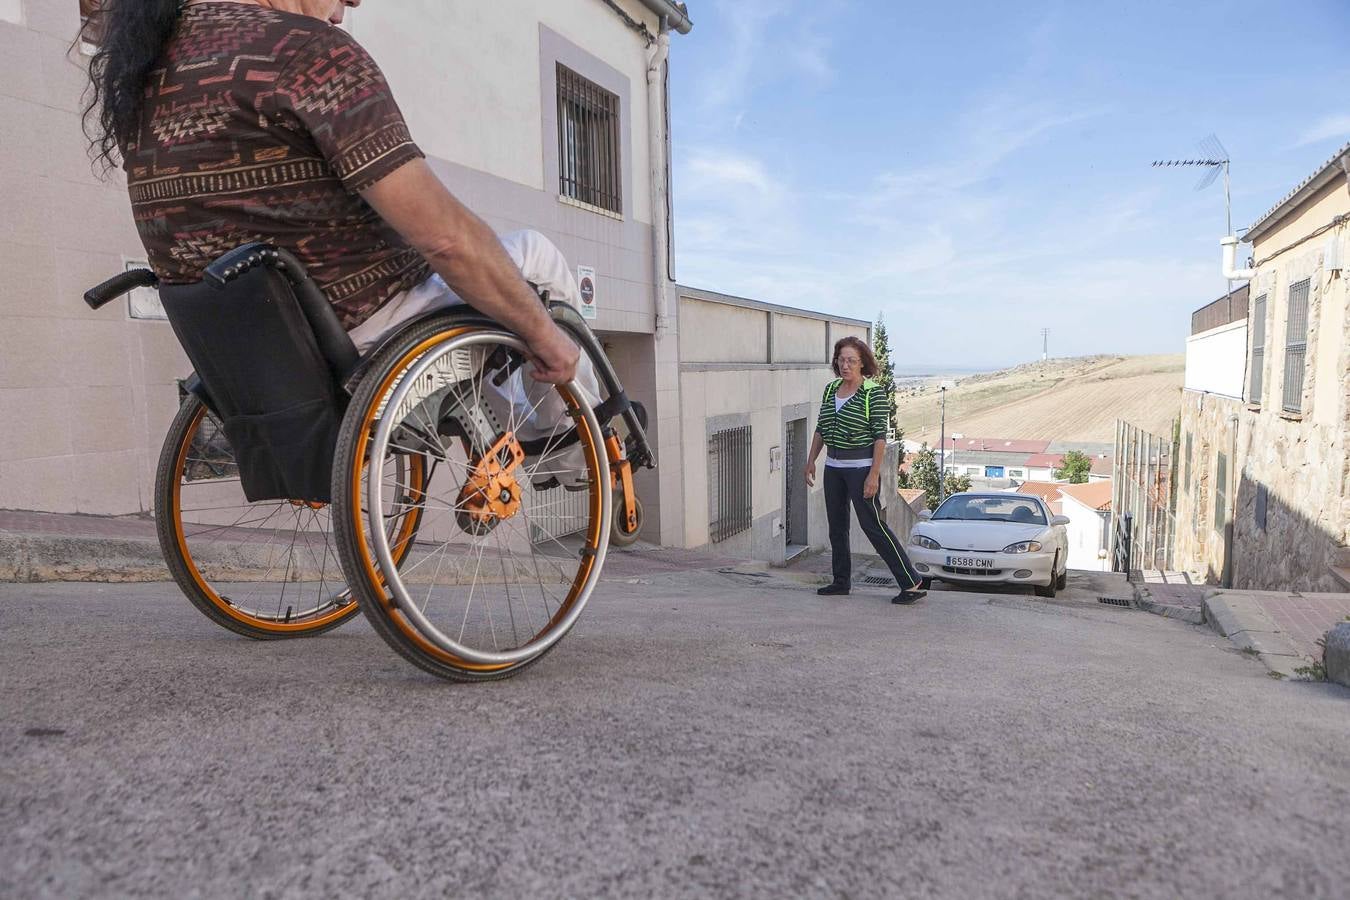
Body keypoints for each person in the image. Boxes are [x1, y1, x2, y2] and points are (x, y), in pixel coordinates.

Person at [83, 0, 599, 427]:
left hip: (255, 346)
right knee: (533, 255)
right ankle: (570, 447)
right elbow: (447, 240)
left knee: (489, 279)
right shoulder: (308, 53)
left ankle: (505, 414)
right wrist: (546, 337)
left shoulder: (145, 72)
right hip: (360, 328)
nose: (353, 2)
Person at [803, 337, 926, 605]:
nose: (845, 365)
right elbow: (821, 429)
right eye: (841, 359)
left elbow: (879, 438)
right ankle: (840, 582)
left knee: (872, 525)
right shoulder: (830, 390)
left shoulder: (872, 393)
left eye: (851, 361)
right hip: (833, 468)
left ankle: (910, 581)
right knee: (836, 527)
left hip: (860, 468)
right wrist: (811, 459)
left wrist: (873, 475)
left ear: (862, 364)